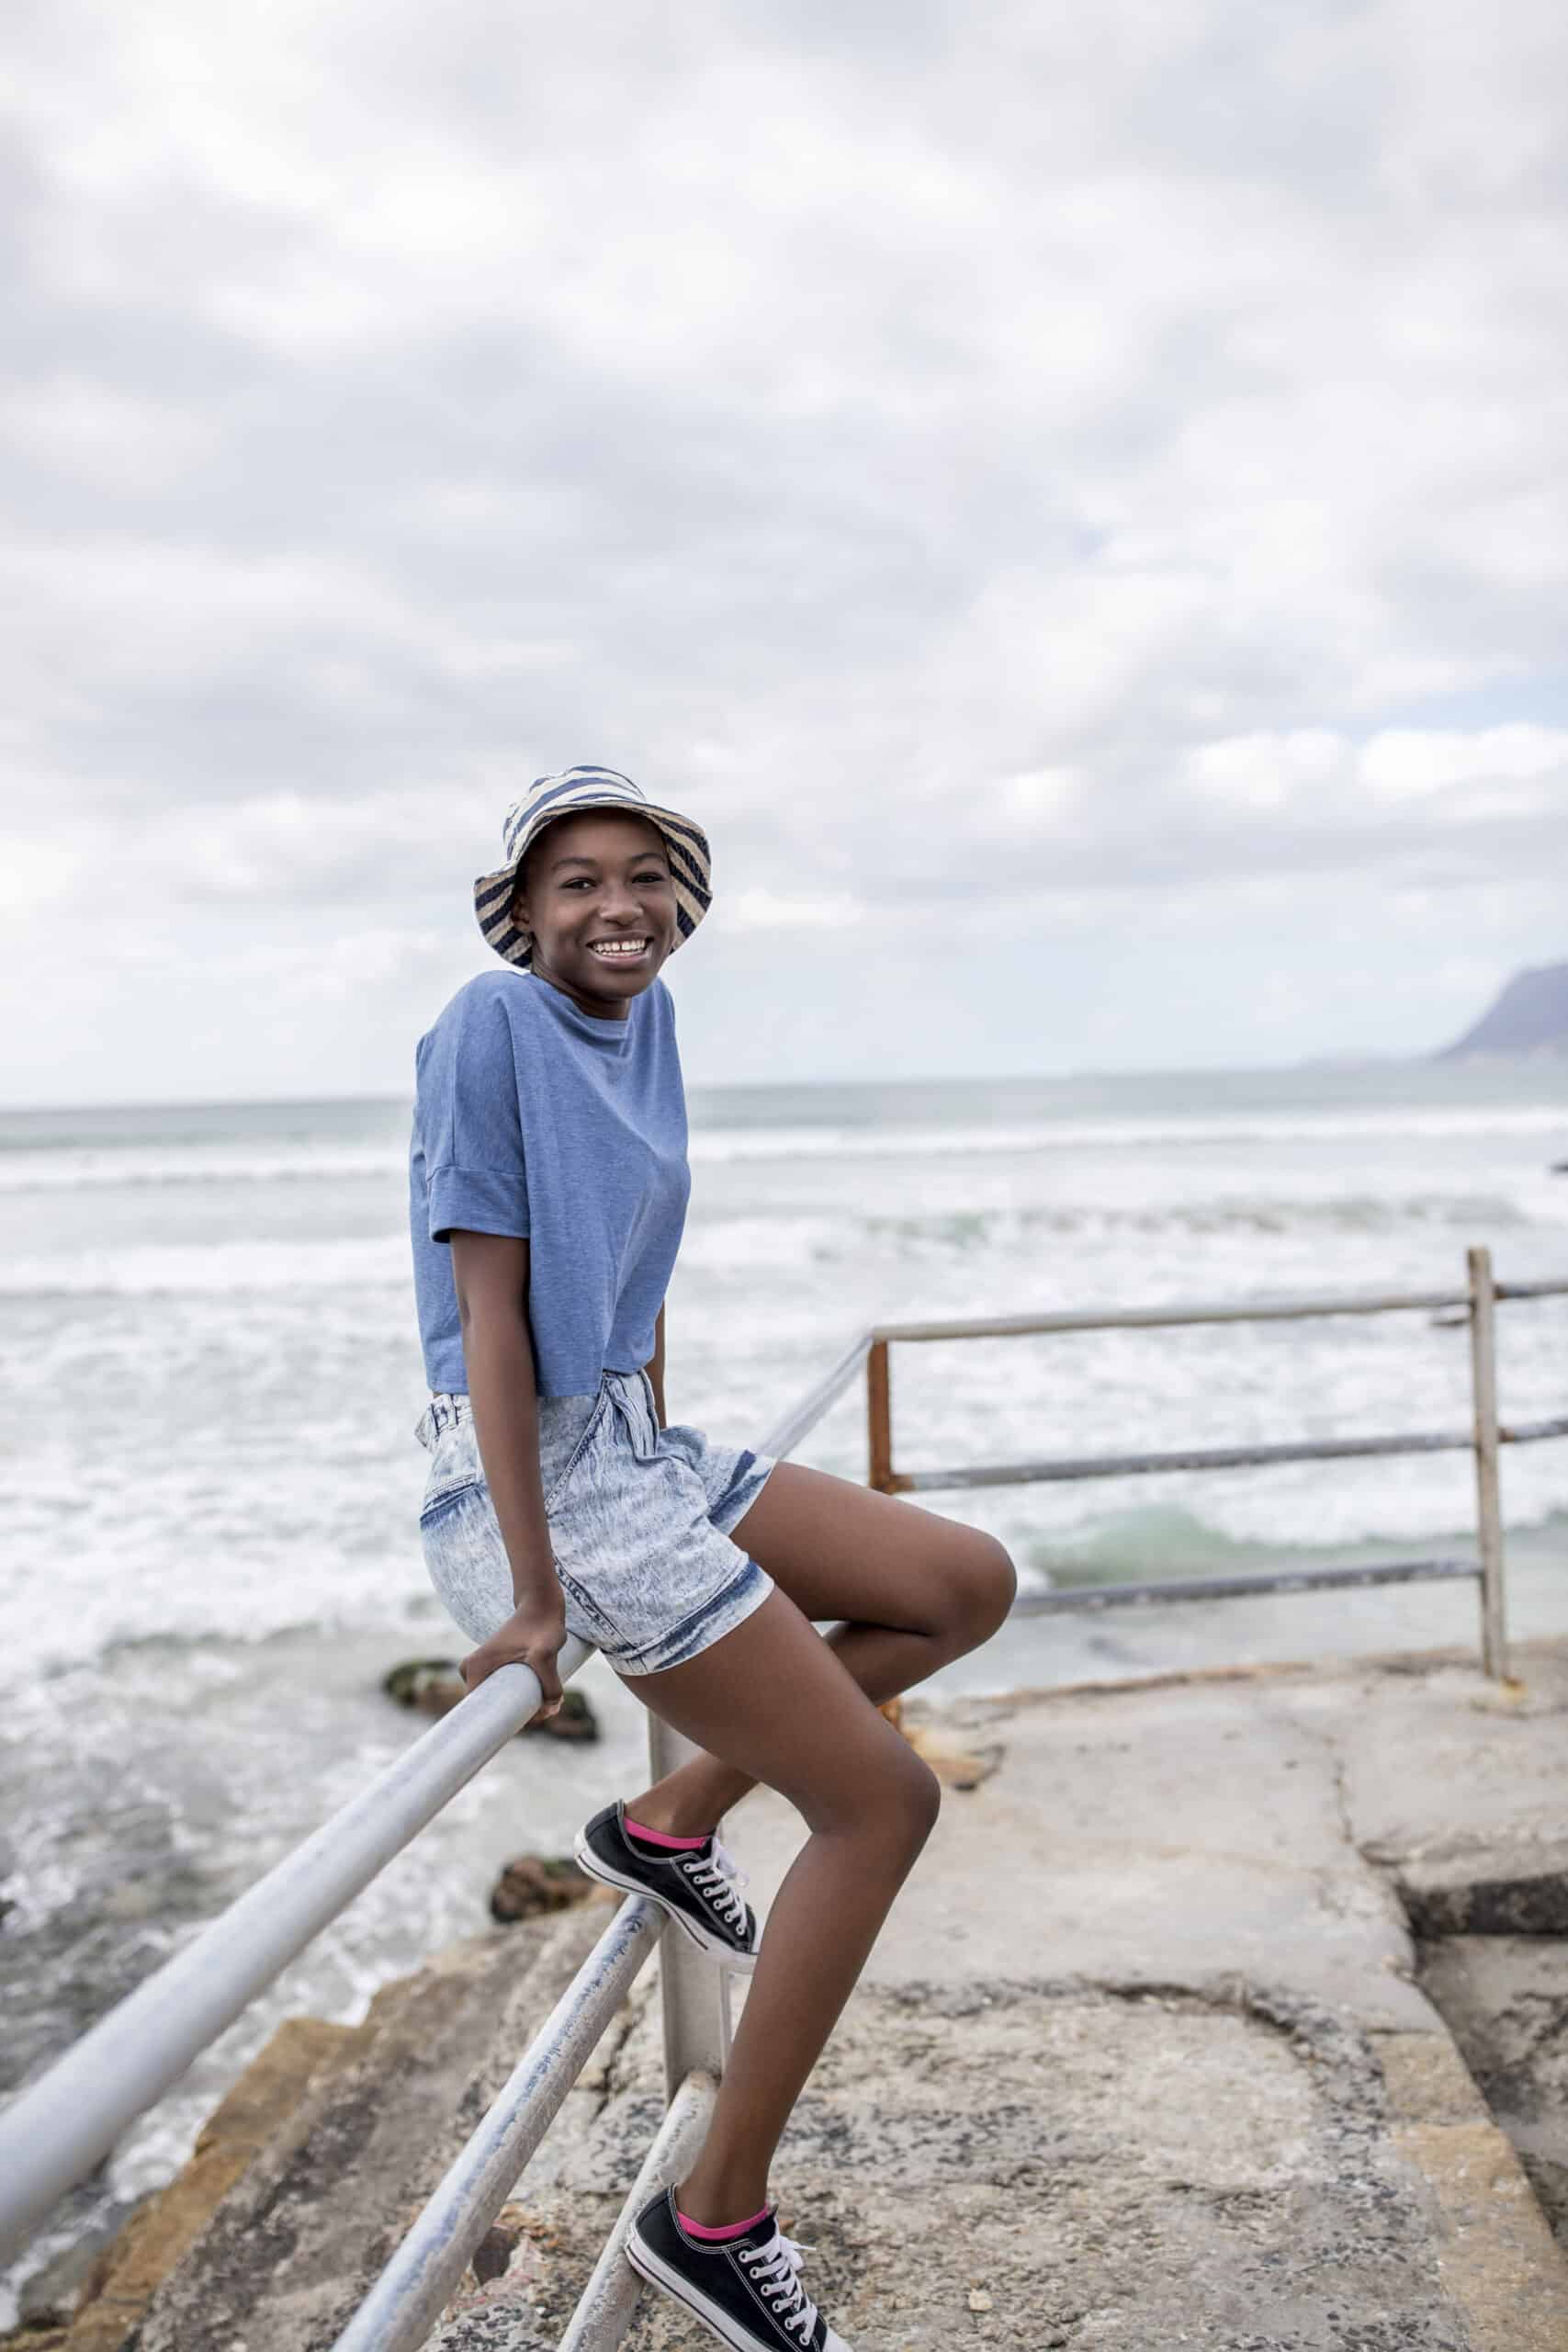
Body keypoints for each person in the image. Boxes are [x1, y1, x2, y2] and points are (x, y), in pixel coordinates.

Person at [410, 766, 1016, 2352]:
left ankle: (672, 1811)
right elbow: (487, 1316)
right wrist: (535, 1599)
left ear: (680, 895)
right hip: (533, 1470)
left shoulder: (651, 1024)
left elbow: (632, 1266)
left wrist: (670, 1453)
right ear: (523, 914)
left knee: (963, 1584)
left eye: (641, 878)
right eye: (574, 885)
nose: (615, 908)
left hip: (632, 1441)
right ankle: (714, 2215)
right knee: (881, 1801)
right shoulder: (491, 1029)